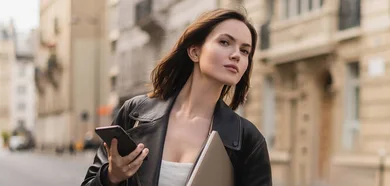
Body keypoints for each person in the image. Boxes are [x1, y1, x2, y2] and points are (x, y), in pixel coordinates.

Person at [81, 8, 272, 186]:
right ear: (195, 51)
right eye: (225, 42)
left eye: (245, 50)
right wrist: (111, 176)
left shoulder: (248, 140)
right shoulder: (135, 114)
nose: (236, 55)